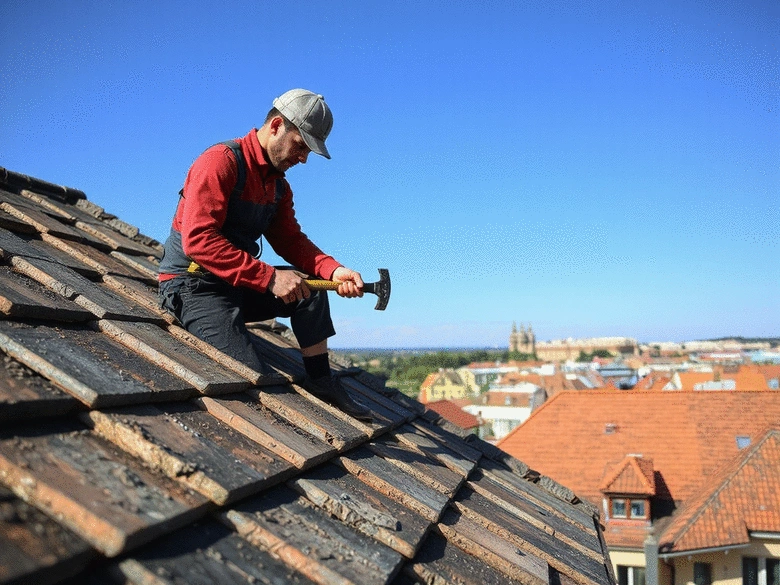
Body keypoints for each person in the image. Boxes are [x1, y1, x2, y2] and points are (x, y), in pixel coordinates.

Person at [158, 89, 372, 422]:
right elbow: (198, 240)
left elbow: (291, 240)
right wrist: (269, 278)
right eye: (300, 146)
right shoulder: (220, 162)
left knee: (311, 290)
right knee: (251, 380)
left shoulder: (278, 186)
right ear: (275, 126)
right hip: (192, 286)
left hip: (235, 285)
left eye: (308, 152)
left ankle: (321, 380)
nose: (303, 159)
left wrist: (334, 271)